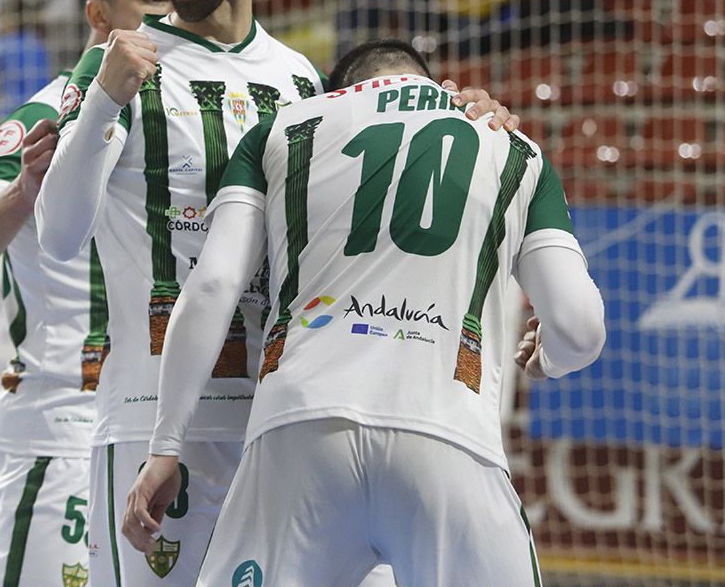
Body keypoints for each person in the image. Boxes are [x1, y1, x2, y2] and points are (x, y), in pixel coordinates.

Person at [35, 0, 517, 587]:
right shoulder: (118, 64)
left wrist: (464, 116)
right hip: (150, 421)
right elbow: (58, 236)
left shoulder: (299, 81)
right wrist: (104, 97)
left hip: (280, 429)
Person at [124, 40, 606, 586]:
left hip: (300, 432)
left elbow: (213, 285)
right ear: (435, 85)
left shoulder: (283, 128)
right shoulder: (511, 145)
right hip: (446, 436)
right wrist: (549, 358)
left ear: (341, 89)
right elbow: (581, 328)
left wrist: (165, 446)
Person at [0, 0, 169, 586]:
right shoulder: (45, 113)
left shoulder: (186, 123)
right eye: (149, 0)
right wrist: (22, 193)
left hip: (157, 429)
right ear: (99, 16)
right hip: (63, 424)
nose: (167, 16)